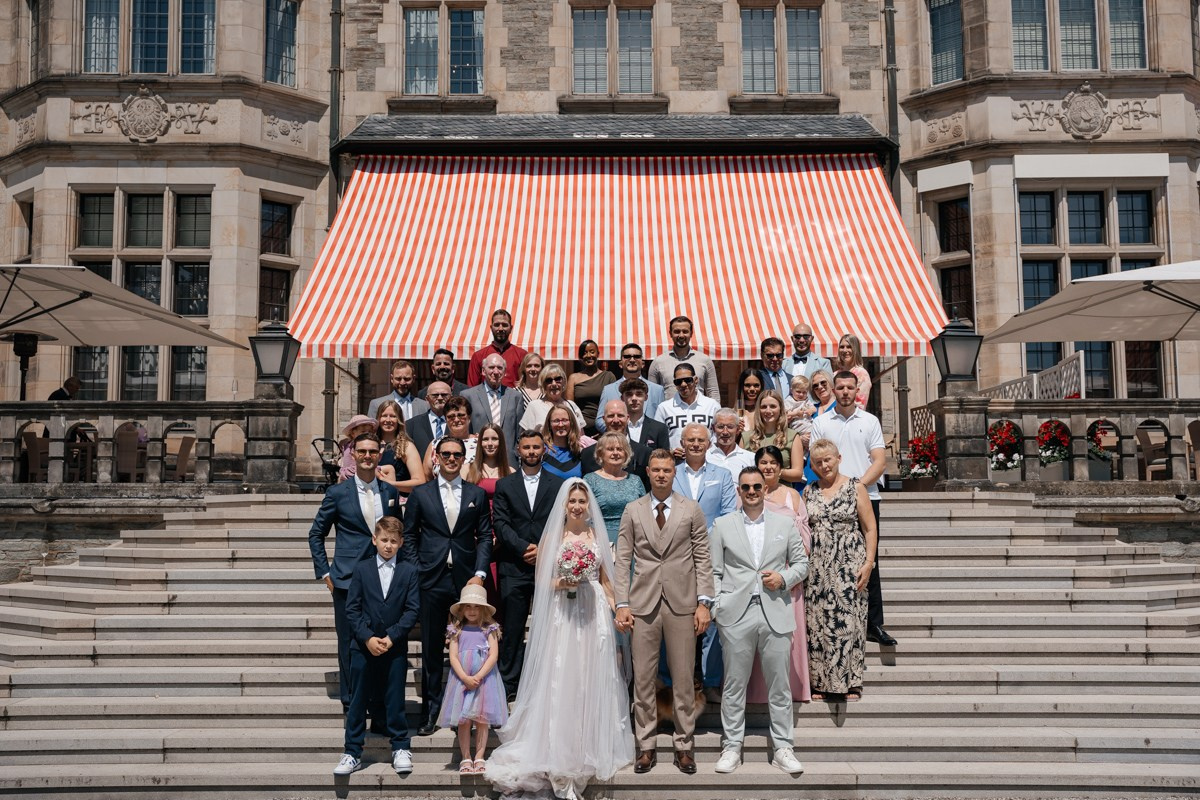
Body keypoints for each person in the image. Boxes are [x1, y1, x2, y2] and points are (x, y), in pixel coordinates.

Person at [486, 479, 633, 800]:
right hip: (564, 615)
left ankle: (589, 742)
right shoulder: (553, 536)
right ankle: (559, 744)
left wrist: (618, 610)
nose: (578, 506)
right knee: (563, 676)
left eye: (582, 501)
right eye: (573, 502)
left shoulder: (598, 536)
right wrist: (567, 580)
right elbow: (542, 583)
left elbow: (607, 583)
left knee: (591, 677)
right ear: (564, 505)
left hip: (593, 613)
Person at [615, 450, 714, 776]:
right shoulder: (633, 510)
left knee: (684, 679)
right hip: (642, 605)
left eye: (666, 470)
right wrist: (622, 603)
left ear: (674, 472)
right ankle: (646, 746)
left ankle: (684, 746)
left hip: (682, 604)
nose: (661, 475)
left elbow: (703, 556)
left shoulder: (691, 509)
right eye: (655, 470)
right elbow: (623, 560)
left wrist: (704, 602)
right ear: (648, 471)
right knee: (643, 680)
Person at [710, 468, 807, 776]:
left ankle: (783, 747)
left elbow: (802, 563)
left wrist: (785, 577)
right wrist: (717, 607)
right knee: (734, 685)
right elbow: (713, 571)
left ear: (765, 489)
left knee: (779, 686)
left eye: (756, 486)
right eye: (745, 487)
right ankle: (732, 747)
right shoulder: (722, 525)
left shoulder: (784, 522)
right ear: (738, 491)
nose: (751, 491)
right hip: (735, 613)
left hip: (775, 611)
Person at [402, 435, 492, 735]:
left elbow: (485, 537)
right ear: (436, 457)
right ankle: (430, 711)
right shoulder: (421, 494)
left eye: (457, 454)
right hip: (431, 577)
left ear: (464, 458)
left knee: (468, 645)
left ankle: (463, 711)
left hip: (466, 580)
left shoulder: (475, 494)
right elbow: (410, 535)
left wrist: (479, 573)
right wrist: (416, 568)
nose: (451, 459)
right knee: (430, 648)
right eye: (446, 454)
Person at [308, 432, 403, 713]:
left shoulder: (390, 492)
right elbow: (316, 534)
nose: (367, 456)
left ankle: (377, 701)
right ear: (354, 453)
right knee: (349, 641)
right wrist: (324, 573)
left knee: (379, 639)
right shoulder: (337, 493)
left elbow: (397, 533)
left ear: (379, 454)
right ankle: (351, 704)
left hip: (384, 578)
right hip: (347, 580)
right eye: (362, 451)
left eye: (372, 451)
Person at [809, 370, 894, 647]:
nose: (845, 392)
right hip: (829, 500)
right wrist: (839, 491)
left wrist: (854, 488)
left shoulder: (869, 421)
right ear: (833, 390)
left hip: (865, 497)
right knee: (831, 560)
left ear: (857, 390)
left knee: (870, 562)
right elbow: (818, 460)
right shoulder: (821, 422)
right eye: (840, 387)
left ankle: (874, 624)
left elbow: (879, 462)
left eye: (849, 387)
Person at [334, 516, 421, 777]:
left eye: (394, 541)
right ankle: (352, 751)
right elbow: (352, 609)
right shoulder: (361, 569)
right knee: (359, 699)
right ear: (374, 539)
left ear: (401, 543)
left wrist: (392, 636)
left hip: (394, 647)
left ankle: (400, 747)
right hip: (362, 646)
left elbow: (412, 609)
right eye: (384, 540)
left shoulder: (409, 571)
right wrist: (368, 638)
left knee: (395, 698)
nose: (388, 545)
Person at [491, 430, 564, 699]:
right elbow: (500, 523)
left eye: (536, 447)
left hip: (549, 566)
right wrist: (523, 548)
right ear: (517, 450)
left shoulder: (558, 485)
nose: (531, 451)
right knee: (512, 627)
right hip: (514, 563)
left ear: (543, 450)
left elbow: (562, 521)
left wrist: (543, 550)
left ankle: (544, 684)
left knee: (549, 626)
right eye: (526, 447)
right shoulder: (505, 485)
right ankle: (509, 686)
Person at [803, 439, 877, 702]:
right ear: (812, 465)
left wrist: (869, 563)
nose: (824, 465)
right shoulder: (808, 491)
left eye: (828, 460)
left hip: (848, 563)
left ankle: (850, 682)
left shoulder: (855, 487)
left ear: (839, 458)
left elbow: (869, 528)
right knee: (818, 622)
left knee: (848, 621)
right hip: (817, 567)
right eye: (818, 462)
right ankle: (821, 682)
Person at [672, 423, 736, 701]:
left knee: (710, 616)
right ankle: (678, 680)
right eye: (690, 441)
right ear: (682, 444)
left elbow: (727, 513)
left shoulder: (722, 475)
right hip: (675, 555)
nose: (696, 444)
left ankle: (710, 680)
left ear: (708, 444)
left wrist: (705, 541)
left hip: (711, 555)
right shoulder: (671, 474)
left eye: (700, 440)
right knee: (678, 618)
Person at [746, 445, 812, 704]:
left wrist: (787, 572)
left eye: (773, 462)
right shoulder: (748, 495)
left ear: (781, 466)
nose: (768, 467)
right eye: (763, 462)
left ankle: (792, 689)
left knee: (787, 637)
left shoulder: (792, 496)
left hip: (786, 577)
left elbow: (804, 537)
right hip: (756, 576)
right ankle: (757, 692)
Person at [439, 583, 507, 774]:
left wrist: (478, 676)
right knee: (464, 719)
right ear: (461, 608)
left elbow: (493, 655)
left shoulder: (489, 629)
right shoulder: (456, 630)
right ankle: (465, 757)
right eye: (468, 606)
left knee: (482, 718)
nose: (472, 610)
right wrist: (465, 677)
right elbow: (452, 656)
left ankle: (479, 756)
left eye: (476, 606)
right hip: (462, 680)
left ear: (483, 608)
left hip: (485, 680)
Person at [583, 431, 646, 545]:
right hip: (601, 539)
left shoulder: (635, 480)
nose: (615, 453)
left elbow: (644, 514)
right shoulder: (590, 480)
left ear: (626, 453)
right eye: (610, 449)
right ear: (601, 453)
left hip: (633, 540)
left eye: (620, 449)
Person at [594, 343, 665, 432]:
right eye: (627, 356)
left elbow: (663, 419)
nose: (632, 360)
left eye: (636, 356)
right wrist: (617, 430)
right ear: (620, 363)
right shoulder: (608, 390)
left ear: (643, 364)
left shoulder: (657, 390)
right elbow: (600, 420)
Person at [647, 315, 720, 401]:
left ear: (691, 333)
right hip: (669, 413)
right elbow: (651, 395)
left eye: (685, 331)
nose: (681, 335)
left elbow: (713, 392)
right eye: (677, 331)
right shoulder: (658, 362)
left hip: (698, 412)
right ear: (670, 333)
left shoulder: (705, 360)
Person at [742, 390, 806, 485]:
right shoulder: (746, 437)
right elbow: (740, 469)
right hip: (754, 494)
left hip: (782, 494)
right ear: (758, 410)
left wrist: (773, 471)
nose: (768, 411)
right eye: (764, 407)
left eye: (773, 406)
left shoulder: (792, 436)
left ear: (780, 409)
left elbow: (797, 474)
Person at [580, 400, 650, 486]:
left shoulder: (644, 453)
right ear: (603, 419)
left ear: (628, 418)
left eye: (620, 415)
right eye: (611, 416)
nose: (616, 420)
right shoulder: (588, 454)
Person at [462, 353, 522, 454]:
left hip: (508, 459)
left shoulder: (515, 397)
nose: (496, 371)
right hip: (478, 456)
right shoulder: (468, 396)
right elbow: (464, 430)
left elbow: (520, 432)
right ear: (483, 371)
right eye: (491, 367)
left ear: (504, 372)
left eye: (499, 368)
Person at [654, 363, 720, 455]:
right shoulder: (664, 408)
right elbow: (657, 438)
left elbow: (717, 436)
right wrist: (670, 453)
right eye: (678, 382)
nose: (683, 384)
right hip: (676, 464)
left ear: (696, 380)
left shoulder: (712, 405)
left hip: (707, 463)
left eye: (688, 380)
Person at [373, 401, 427, 497]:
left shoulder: (407, 446)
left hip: (398, 503)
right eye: (384, 415)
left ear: (399, 420)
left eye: (393, 416)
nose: (388, 420)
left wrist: (391, 484)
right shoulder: (370, 444)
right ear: (378, 418)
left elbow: (420, 481)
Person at [566, 339, 616, 436]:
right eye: (585, 353)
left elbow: (613, 404)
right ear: (581, 357)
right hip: (582, 430)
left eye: (592, 352)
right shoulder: (573, 378)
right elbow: (570, 407)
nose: (589, 355)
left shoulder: (609, 376)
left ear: (598, 354)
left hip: (604, 429)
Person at [468, 308, 527, 388]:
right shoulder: (478, 356)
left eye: (504, 325)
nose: (500, 329)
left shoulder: (522, 355)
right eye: (497, 325)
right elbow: (472, 388)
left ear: (511, 328)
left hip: (513, 399)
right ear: (491, 328)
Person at [519, 363, 586, 432]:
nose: (554, 384)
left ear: (563, 382)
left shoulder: (572, 405)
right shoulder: (534, 406)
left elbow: (581, 434)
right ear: (543, 384)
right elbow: (526, 437)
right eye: (549, 381)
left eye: (558, 379)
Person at [422, 395, 476, 480]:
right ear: (446, 420)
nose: (456, 420)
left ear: (469, 418)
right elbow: (426, 476)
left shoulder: (481, 442)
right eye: (451, 416)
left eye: (461, 415)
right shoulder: (436, 443)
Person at [622, 378, 671, 451]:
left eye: (639, 394)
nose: (634, 398)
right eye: (629, 394)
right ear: (622, 398)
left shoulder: (660, 428)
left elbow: (664, 458)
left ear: (646, 397)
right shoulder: (616, 427)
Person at [406, 381, 451, 459]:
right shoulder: (412, 424)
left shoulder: (459, 423)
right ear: (427, 399)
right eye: (435, 395)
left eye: (444, 395)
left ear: (451, 397)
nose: (440, 398)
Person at [541, 403, 585, 480]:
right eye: (556, 421)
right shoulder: (542, 451)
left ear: (571, 423)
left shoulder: (580, 451)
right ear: (549, 424)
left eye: (564, 420)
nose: (560, 425)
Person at [708, 408, 756, 477]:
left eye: (730, 427)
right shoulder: (704, 457)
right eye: (720, 427)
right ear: (713, 428)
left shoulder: (750, 459)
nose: (725, 432)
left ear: (738, 429)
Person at [835, 333, 872, 410]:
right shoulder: (835, 374)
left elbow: (860, 405)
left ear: (856, 349)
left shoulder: (862, 374)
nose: (845, 350)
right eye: (842, 347)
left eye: (849, 347)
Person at [337, 415, 377, 482]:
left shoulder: (349, 444)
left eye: (370, 431)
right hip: (353, 473)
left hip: (352, 473)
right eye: (363, 431)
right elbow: (350, 464)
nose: (367, 434)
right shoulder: (353, 446)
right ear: (353, 433)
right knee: (388, 469)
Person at [735, 368, 764, 433]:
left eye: (756, 385)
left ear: (761, 387)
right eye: (747, 385)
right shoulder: (733, 413)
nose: (752, 389)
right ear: (741, 387)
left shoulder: (766, 412)